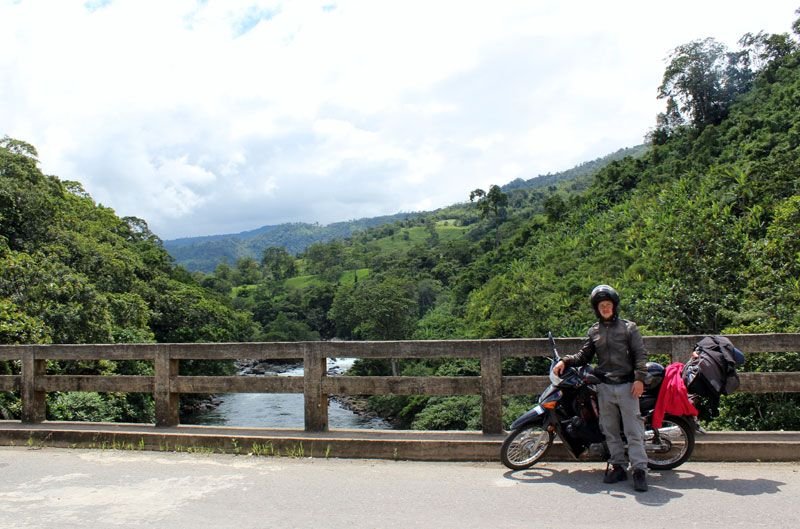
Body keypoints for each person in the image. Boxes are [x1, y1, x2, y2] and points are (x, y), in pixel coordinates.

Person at [553, 284, 649, 492]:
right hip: (604, 386)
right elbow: (583, 356)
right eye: (601, 306)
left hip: (627, 386)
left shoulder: (629, 328)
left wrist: (639, 378)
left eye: (608, 304)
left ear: (615, 306)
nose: (605, 308)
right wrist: (565, 361)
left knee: (634, 431)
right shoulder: (594, 331)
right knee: (610, 430)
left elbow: (640, 355)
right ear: (597, 309)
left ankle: (640, 470)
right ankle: (618, 466)